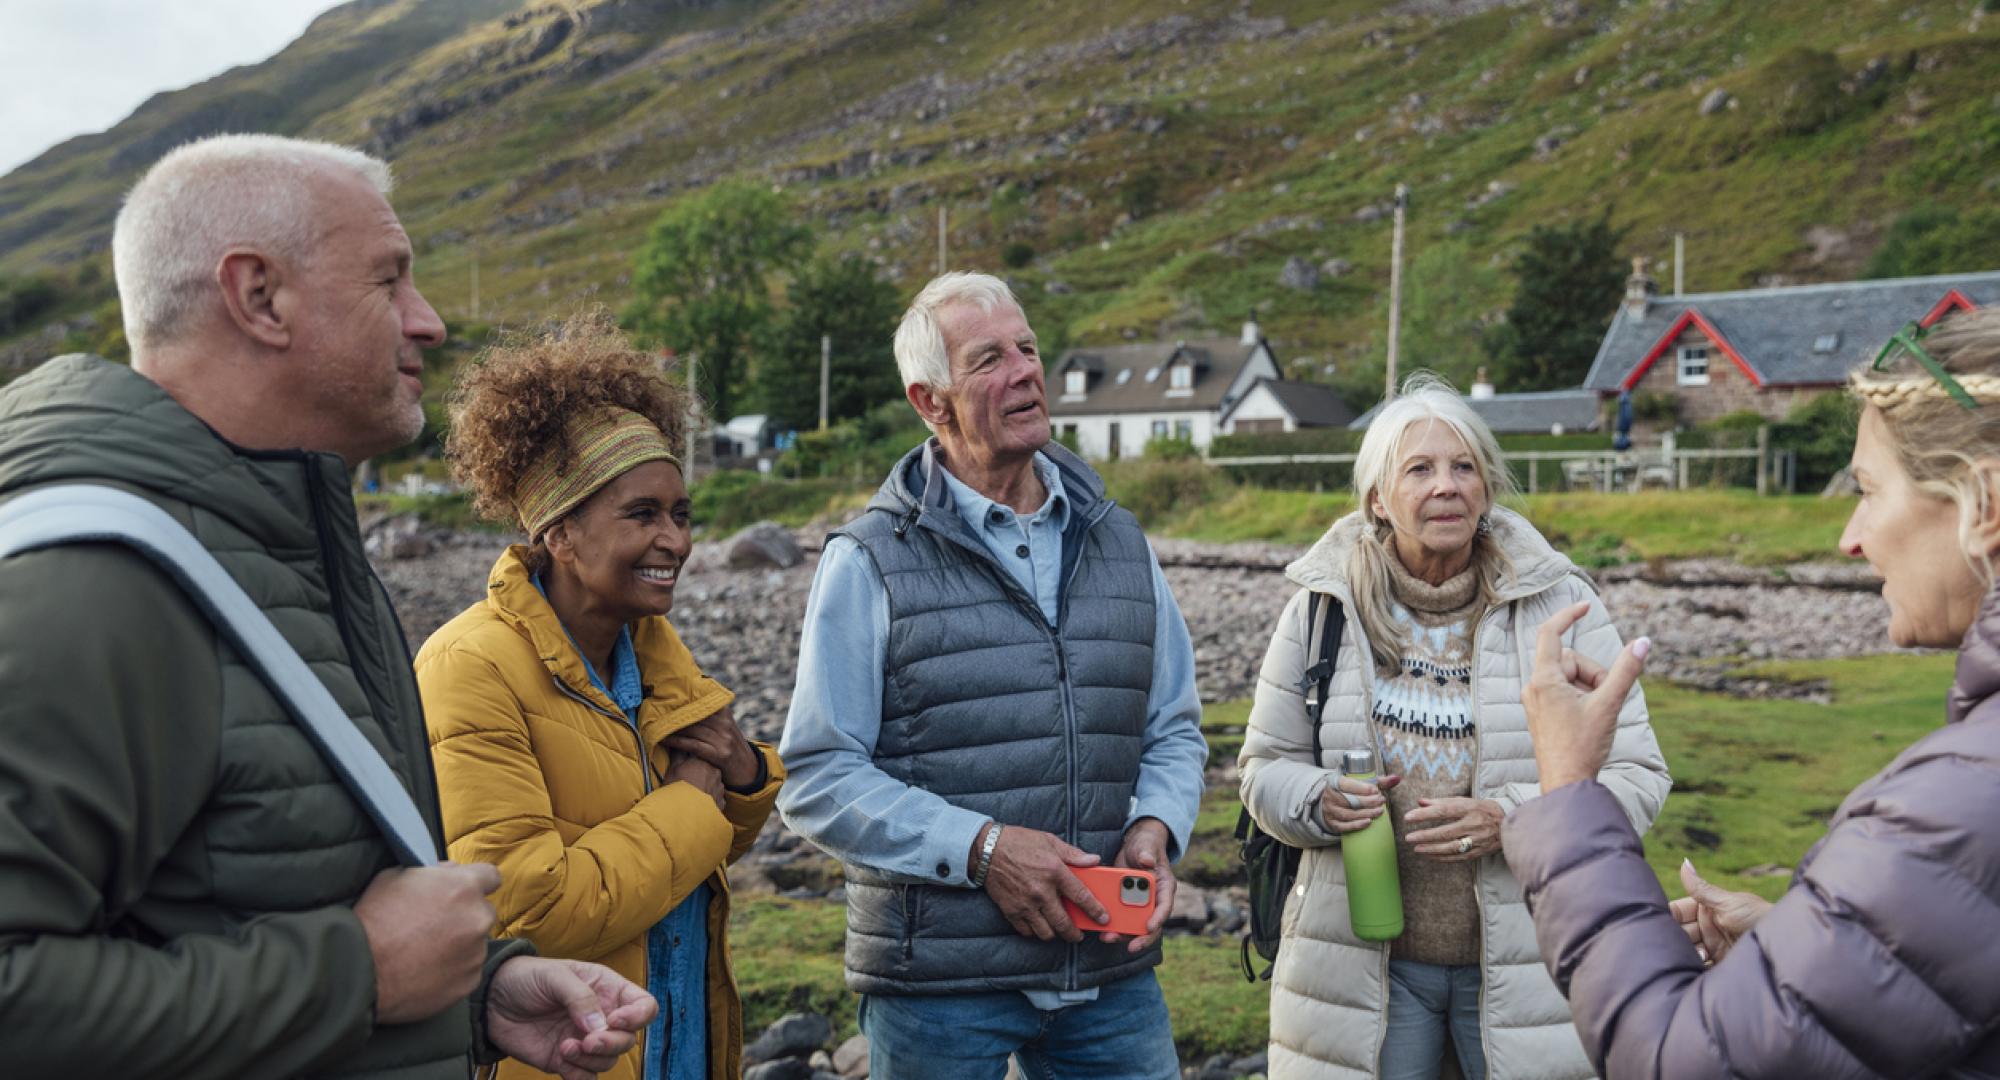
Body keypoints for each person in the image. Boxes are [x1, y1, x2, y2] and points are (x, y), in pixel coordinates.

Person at [0, 134, 653, 1078]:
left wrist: (470, 997)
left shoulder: (284, 544)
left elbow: (268, 886)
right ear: (259, 296)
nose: (426, 322)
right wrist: (360, 977)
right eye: (389, 281)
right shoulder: (89, 584)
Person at [1505, 309, 2000, 1078]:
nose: (1850, 537)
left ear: (1984, 503)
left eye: (1868, 490)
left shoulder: (1954, 808)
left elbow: (1673, 1062)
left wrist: (1567, 788)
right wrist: (1803, 952)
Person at [776, 272, 1209, 1079]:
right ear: (930, 400)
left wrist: (1156, 825)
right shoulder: (868, 559)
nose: (1024, 371)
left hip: (1106, 974)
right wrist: (983, 850)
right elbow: (817, 777)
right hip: (938, 988)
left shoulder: (1121, 540)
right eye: (989, 359)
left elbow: (1173, 728)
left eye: (1029, 348)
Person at [1236, 374, 1670, 1080]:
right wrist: (1319, 801)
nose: (1447, 486)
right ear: (1378, 497)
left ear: (1488, 487)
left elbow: (1638, 775)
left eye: (1464, 466)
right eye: (1420, 469)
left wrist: (1516, 821)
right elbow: (1262, 769)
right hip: (1364, 969)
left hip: (1529, 967)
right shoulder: (1322, 609)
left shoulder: (1562, 605)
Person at [416, 313, 784, 1080]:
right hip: (573, 1057)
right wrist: (693, 800)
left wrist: (745, 778)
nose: (677, 542)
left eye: (681, 515)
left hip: (677, 1038)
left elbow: (696, 851)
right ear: (560, 532)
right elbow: (528, 915)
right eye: (642, 514)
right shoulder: (468, 666)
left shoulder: (651, 649)